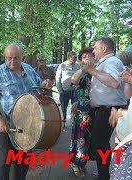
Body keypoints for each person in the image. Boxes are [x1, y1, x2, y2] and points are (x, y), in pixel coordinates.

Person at [0, 43, 52, 180]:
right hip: (6, 124)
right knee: (5, 161)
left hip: (30, 124)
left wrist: (44, 85)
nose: (12, 61)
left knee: (23, 160)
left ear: (22, 57)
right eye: (9, 58)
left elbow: (39, 88)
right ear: (4, 57)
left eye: (16, 58)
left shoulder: (29, 69)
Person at [81, 37, 127, 180]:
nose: (93, 51)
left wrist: (91, 70)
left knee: (100, 144)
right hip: (105, 110)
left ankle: (104, 176)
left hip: (108, 110)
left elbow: (114, 83)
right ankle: (105, 173)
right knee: (101, 143)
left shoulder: (112, 61)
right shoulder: (107, 62)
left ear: (104, 49)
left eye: (95, 48)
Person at [68, 47, 95, 177]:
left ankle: (81, 162)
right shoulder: (81, 71)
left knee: (88, 139)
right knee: (79, 137)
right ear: (80, 60)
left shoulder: (96, 70)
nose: (87, 58)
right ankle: (75, 162)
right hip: (80, 111)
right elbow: (73, 81)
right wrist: (84, 69)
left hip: (93, 110)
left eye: (90, 56)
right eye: (84, 57)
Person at [55, 51, 80, 125]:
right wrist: (60, 91)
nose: (75, 59)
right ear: (69, 57)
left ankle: (73, 123)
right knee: (63, 108)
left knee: (75, 107)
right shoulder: (62, 65)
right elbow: (58, 79)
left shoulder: (78, 66)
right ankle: (63, 122)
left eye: (76, 57)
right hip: (64, 91)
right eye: (74, 58)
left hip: (75, 91)